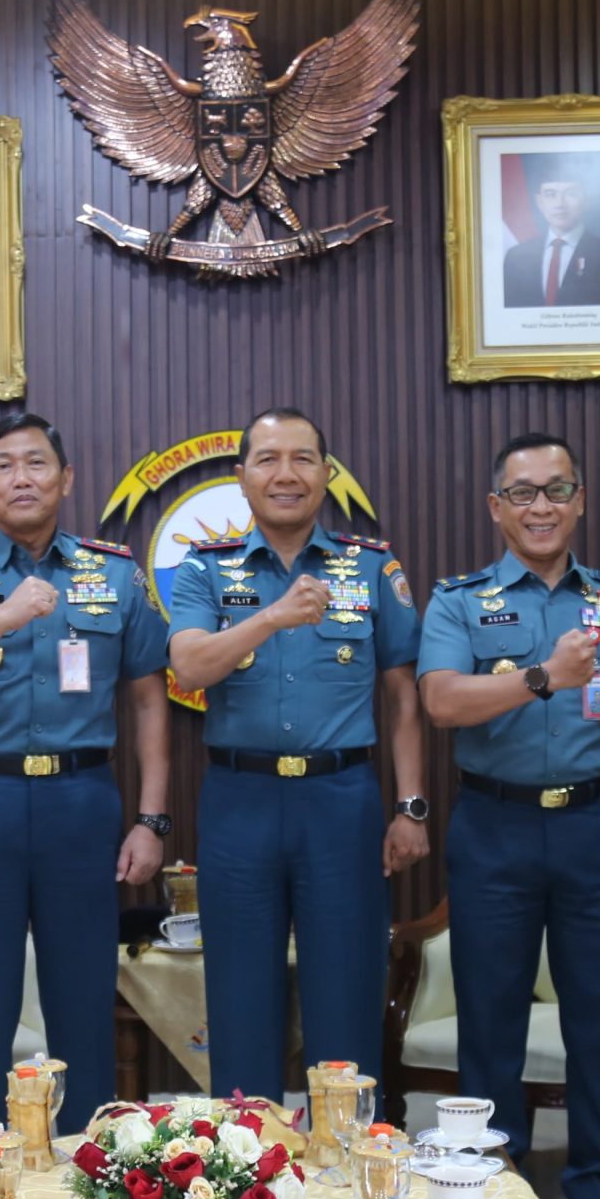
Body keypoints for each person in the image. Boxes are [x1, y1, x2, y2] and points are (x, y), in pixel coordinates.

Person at [420, 434, 600, 1199]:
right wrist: (541, 677)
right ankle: (493, 1186)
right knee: (488, 1018)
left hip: (596, 827)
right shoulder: (460, 601)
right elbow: (443, 702)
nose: (540, 507)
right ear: (496, 508)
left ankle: (599, 1191)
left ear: (580, 501)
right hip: (492, 827)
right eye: (522, 493)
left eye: (556, 490)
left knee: (596, 1019)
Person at [0, 411, 171, 1137]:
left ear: (66, 478)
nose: (23, 478)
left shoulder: (112, 571)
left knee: (82, 997)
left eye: (38, 463)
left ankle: (93, 1171)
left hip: (81, 800)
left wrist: (150, 818)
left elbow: (149, 698)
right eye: (5, 467)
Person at [168, 406, 428, 1100]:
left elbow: (404, 696)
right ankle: (247, 1184)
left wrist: (410, 807)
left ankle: (346, 1181)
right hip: (239, 801)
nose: (286, 474)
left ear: (326, 474)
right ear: (242, 477)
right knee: (241, 997)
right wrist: (271, 616)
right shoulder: (203, 569)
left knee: (346, 994)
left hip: (340, 801)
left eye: (303, 458)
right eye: (268, 459)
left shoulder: (372, 567)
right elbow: (189, 667)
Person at [501, 156, 600, 308]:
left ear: (587, 200)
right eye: (550, 194)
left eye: (571, 194)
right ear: (539, 202)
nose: (560, 204)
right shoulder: (515, 257)